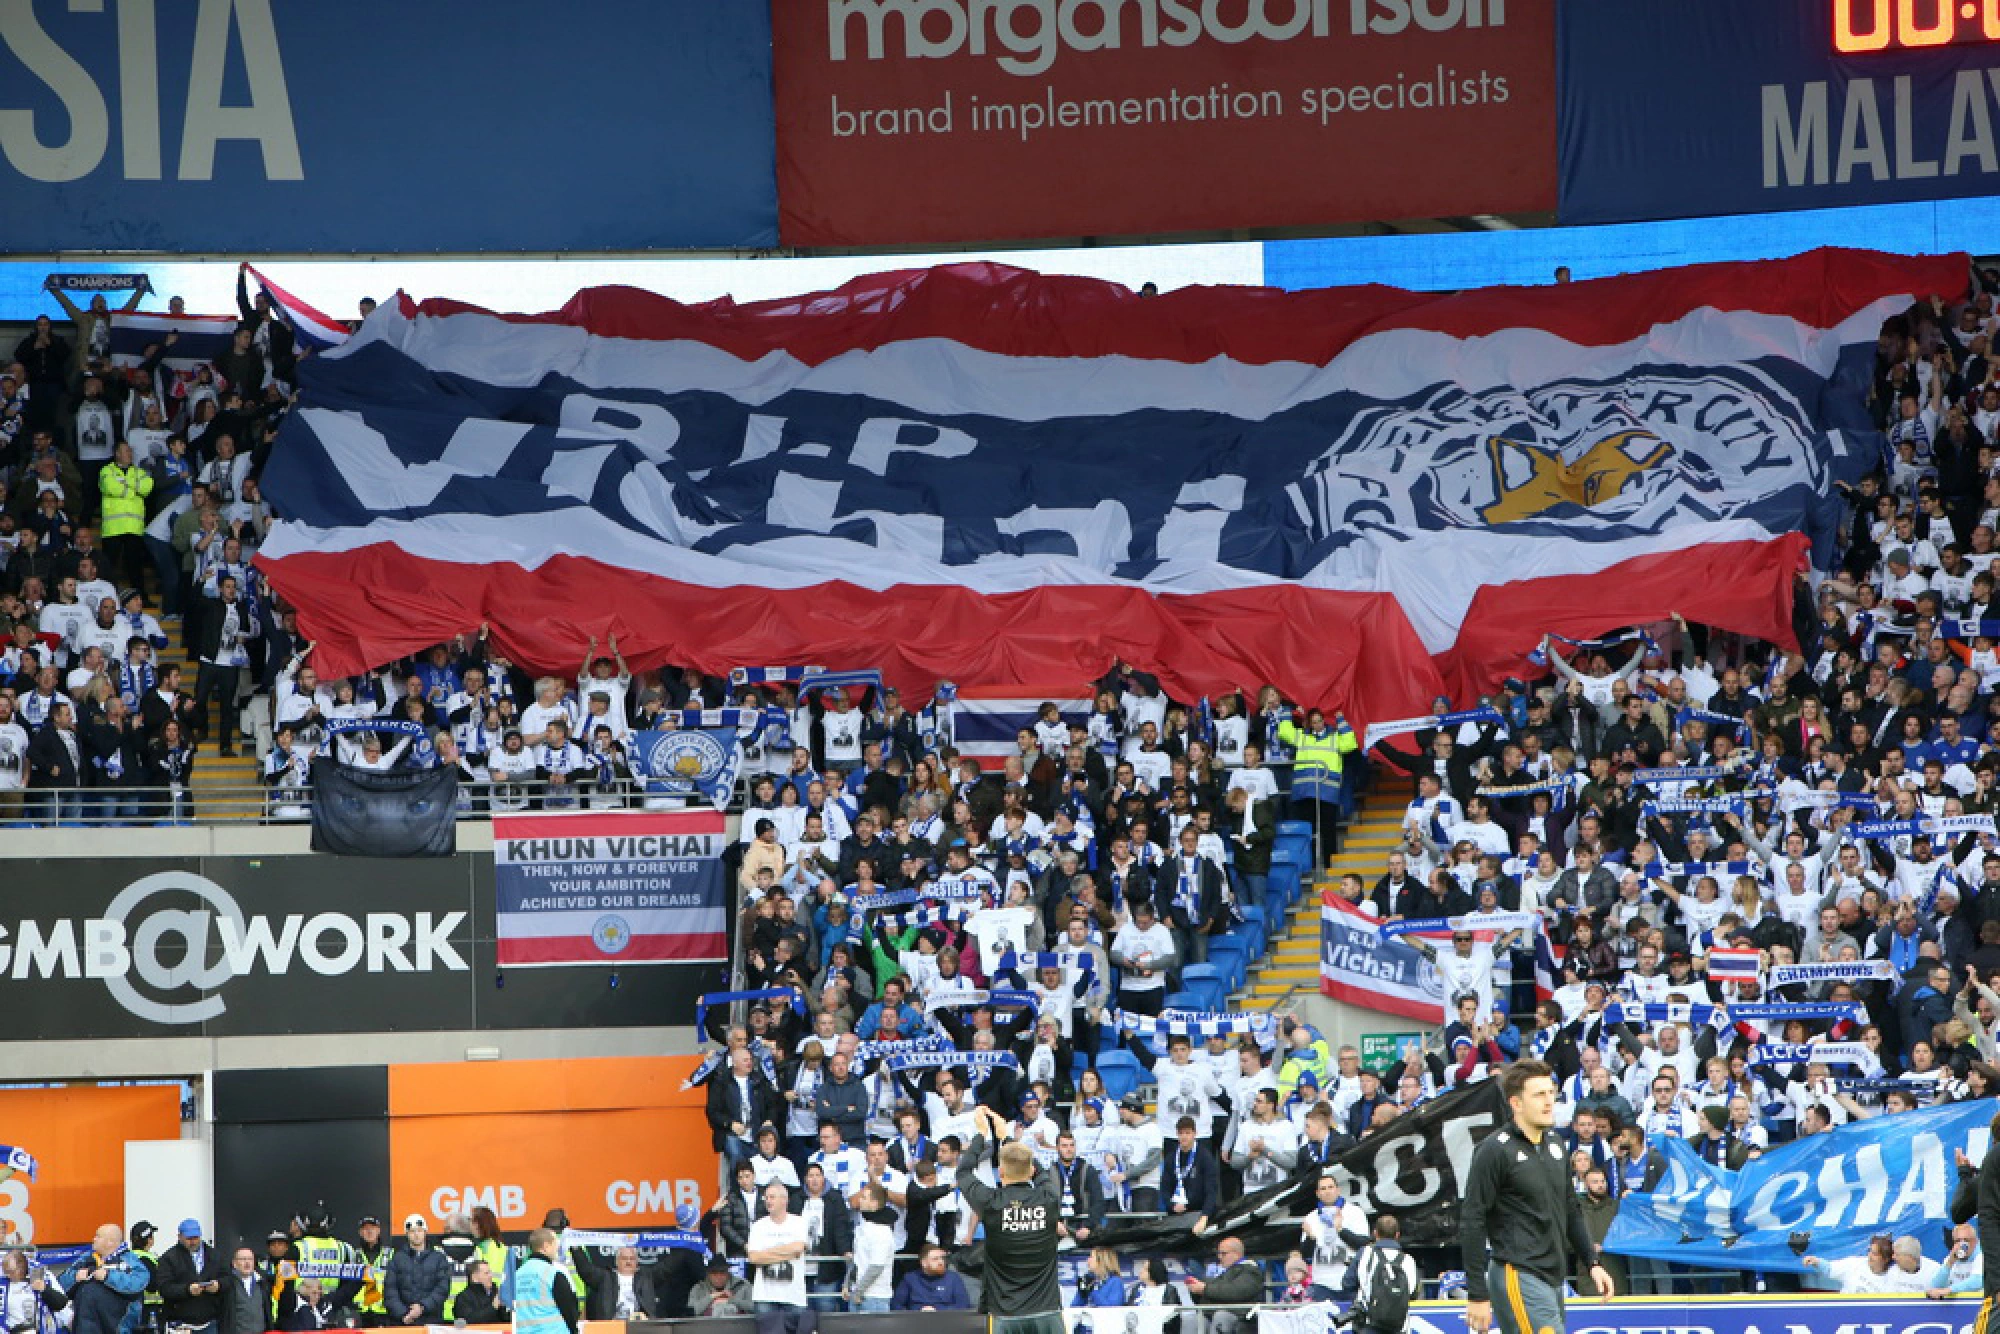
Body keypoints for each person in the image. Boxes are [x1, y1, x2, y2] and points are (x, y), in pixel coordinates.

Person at [1460, 1060, 1613, 1334]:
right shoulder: (1494, 1150)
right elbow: (1473, 1219)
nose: (1549, 1101)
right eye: (1539, 1094)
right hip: (1518, 1272)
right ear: (1516, 1103)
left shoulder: (1556, 1145)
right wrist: (1477, 1293)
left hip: (1553, 1276)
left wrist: (1592, 1262)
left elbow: (1571, 1210)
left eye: (1551, 1092)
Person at [957, 1104, 1063, 1334]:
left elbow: (963, 1173)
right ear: (1031, 1171)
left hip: (1006, 1314)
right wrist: (1007, 1139)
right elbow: (1040, 1171)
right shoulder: (1049, 1199)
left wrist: (981, 1135)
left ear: (1001, 1172)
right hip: (1047, 1312)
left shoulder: (990, 1203)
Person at [746, 1180, 813, 1334]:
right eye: (766, 1197)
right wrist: (786, 1253)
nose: (768, 1201)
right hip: (765, 1296)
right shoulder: (758, 1226)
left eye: (772, 1197)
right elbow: (754, 1258)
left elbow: (798, 1248)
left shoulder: (799, 1222)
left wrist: (766, 1253)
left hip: (794, 1295)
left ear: (784, 1200)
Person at [62, 1224, 150, 1334]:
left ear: (110, 1242)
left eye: (98, 1236)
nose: (94, 1239)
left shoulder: (129, 1260)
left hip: (117, 1329)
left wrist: (107, 1276)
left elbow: (139, 1282)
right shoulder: (86, 1259)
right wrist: (75, 1277)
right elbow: (59, 1285)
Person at [1349, 1215, 1420, 1334]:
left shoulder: (1365, 1253)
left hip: (1368, 1323)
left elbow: (1348, 1283)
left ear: (1375, 1233)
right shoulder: (1409, 1260)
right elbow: (1413, 1292)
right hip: (1399, 1326)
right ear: (1397, 1235)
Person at [156, 1218, 228, 1334]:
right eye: (189, 1238)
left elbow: (228, 1278)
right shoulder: (168, 1258)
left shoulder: (215, 1255)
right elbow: (164, 1287)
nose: (193, 1242)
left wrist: (218, 1285)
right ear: (179, 1237)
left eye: (196, 1238)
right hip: (180, 1324)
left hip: (210, 1322)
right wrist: (187, 1290)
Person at [1183, 1235, 1264, 1334]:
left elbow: (1235, 1292)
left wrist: (1204, 1289)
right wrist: (1195, 1289)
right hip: (1214, 1314)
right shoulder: (1226, 1270)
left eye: (1223, 1253)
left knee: (1221, 1317)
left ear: (1237, 1254)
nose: (1219, 1257)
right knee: (1190, 1320)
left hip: (1241, 1317)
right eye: (1219, 1253)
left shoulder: (1251, 1271)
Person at [512, 1228, 580, 1334]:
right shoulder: (553, 1274)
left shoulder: (517, 1275)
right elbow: (570, 1310)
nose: (558, 1248)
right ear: (546, 1247)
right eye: (555, 1243)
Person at [385, 1214, 449, 1327]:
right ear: (407, 1234)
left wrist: (422, 1307)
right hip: (403, 1322)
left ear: (425, 1232)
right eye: (412, 1231)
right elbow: (390, 1290)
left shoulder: (439, 1258)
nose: (416, 1234)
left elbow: (443, 1288)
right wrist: (404, 1314)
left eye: (419, 1230)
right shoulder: (397, 1258)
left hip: (432, 1321)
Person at [577, 1247, 662, 1321]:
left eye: (632, 1259)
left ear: (637, 1262)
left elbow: (666, 1268)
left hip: (640, 1324)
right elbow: (585, 1269)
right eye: (624, 1258)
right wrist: (575, 1248)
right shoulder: (605, 1277)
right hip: (611, 1325)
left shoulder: (646, 1277)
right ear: (617, 1261)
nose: (628, 1262)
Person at [0, 1248, 68, 1334]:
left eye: (10, 1272)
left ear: (21, 1268)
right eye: (5, 1271)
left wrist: (45, 1289)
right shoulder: (3, 1283)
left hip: (38, 1329)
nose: (7, 1275)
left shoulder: (42, 1277)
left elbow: (61, 1303)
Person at [892, 1245, 972, 1311]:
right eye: (935, 1259)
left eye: (942, 1258)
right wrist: (918, 1311)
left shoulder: (953, 1278)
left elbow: (963, 1305)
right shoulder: (910, 1279)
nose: (940, 1262)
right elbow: (896, 1305)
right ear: (924, 1263)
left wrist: (937, 1310)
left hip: (946, 1320)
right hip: (916, 1321)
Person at [219, 1249, 272, 1334]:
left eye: (250, 1259)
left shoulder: (262, 1282)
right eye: (243, 1259)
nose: (247, 1262)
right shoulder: (228, 1284)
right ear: (234, 1263)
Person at [451, 1262, 507, 1326]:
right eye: (486, 1273)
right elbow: (467, 1320)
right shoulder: (463, 1297)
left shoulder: (495, 1292)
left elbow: (506, 1319)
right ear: (475, 1278)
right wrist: (493, 1307)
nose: (491, 1276)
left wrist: (505, 1307)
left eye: (490, 1272)